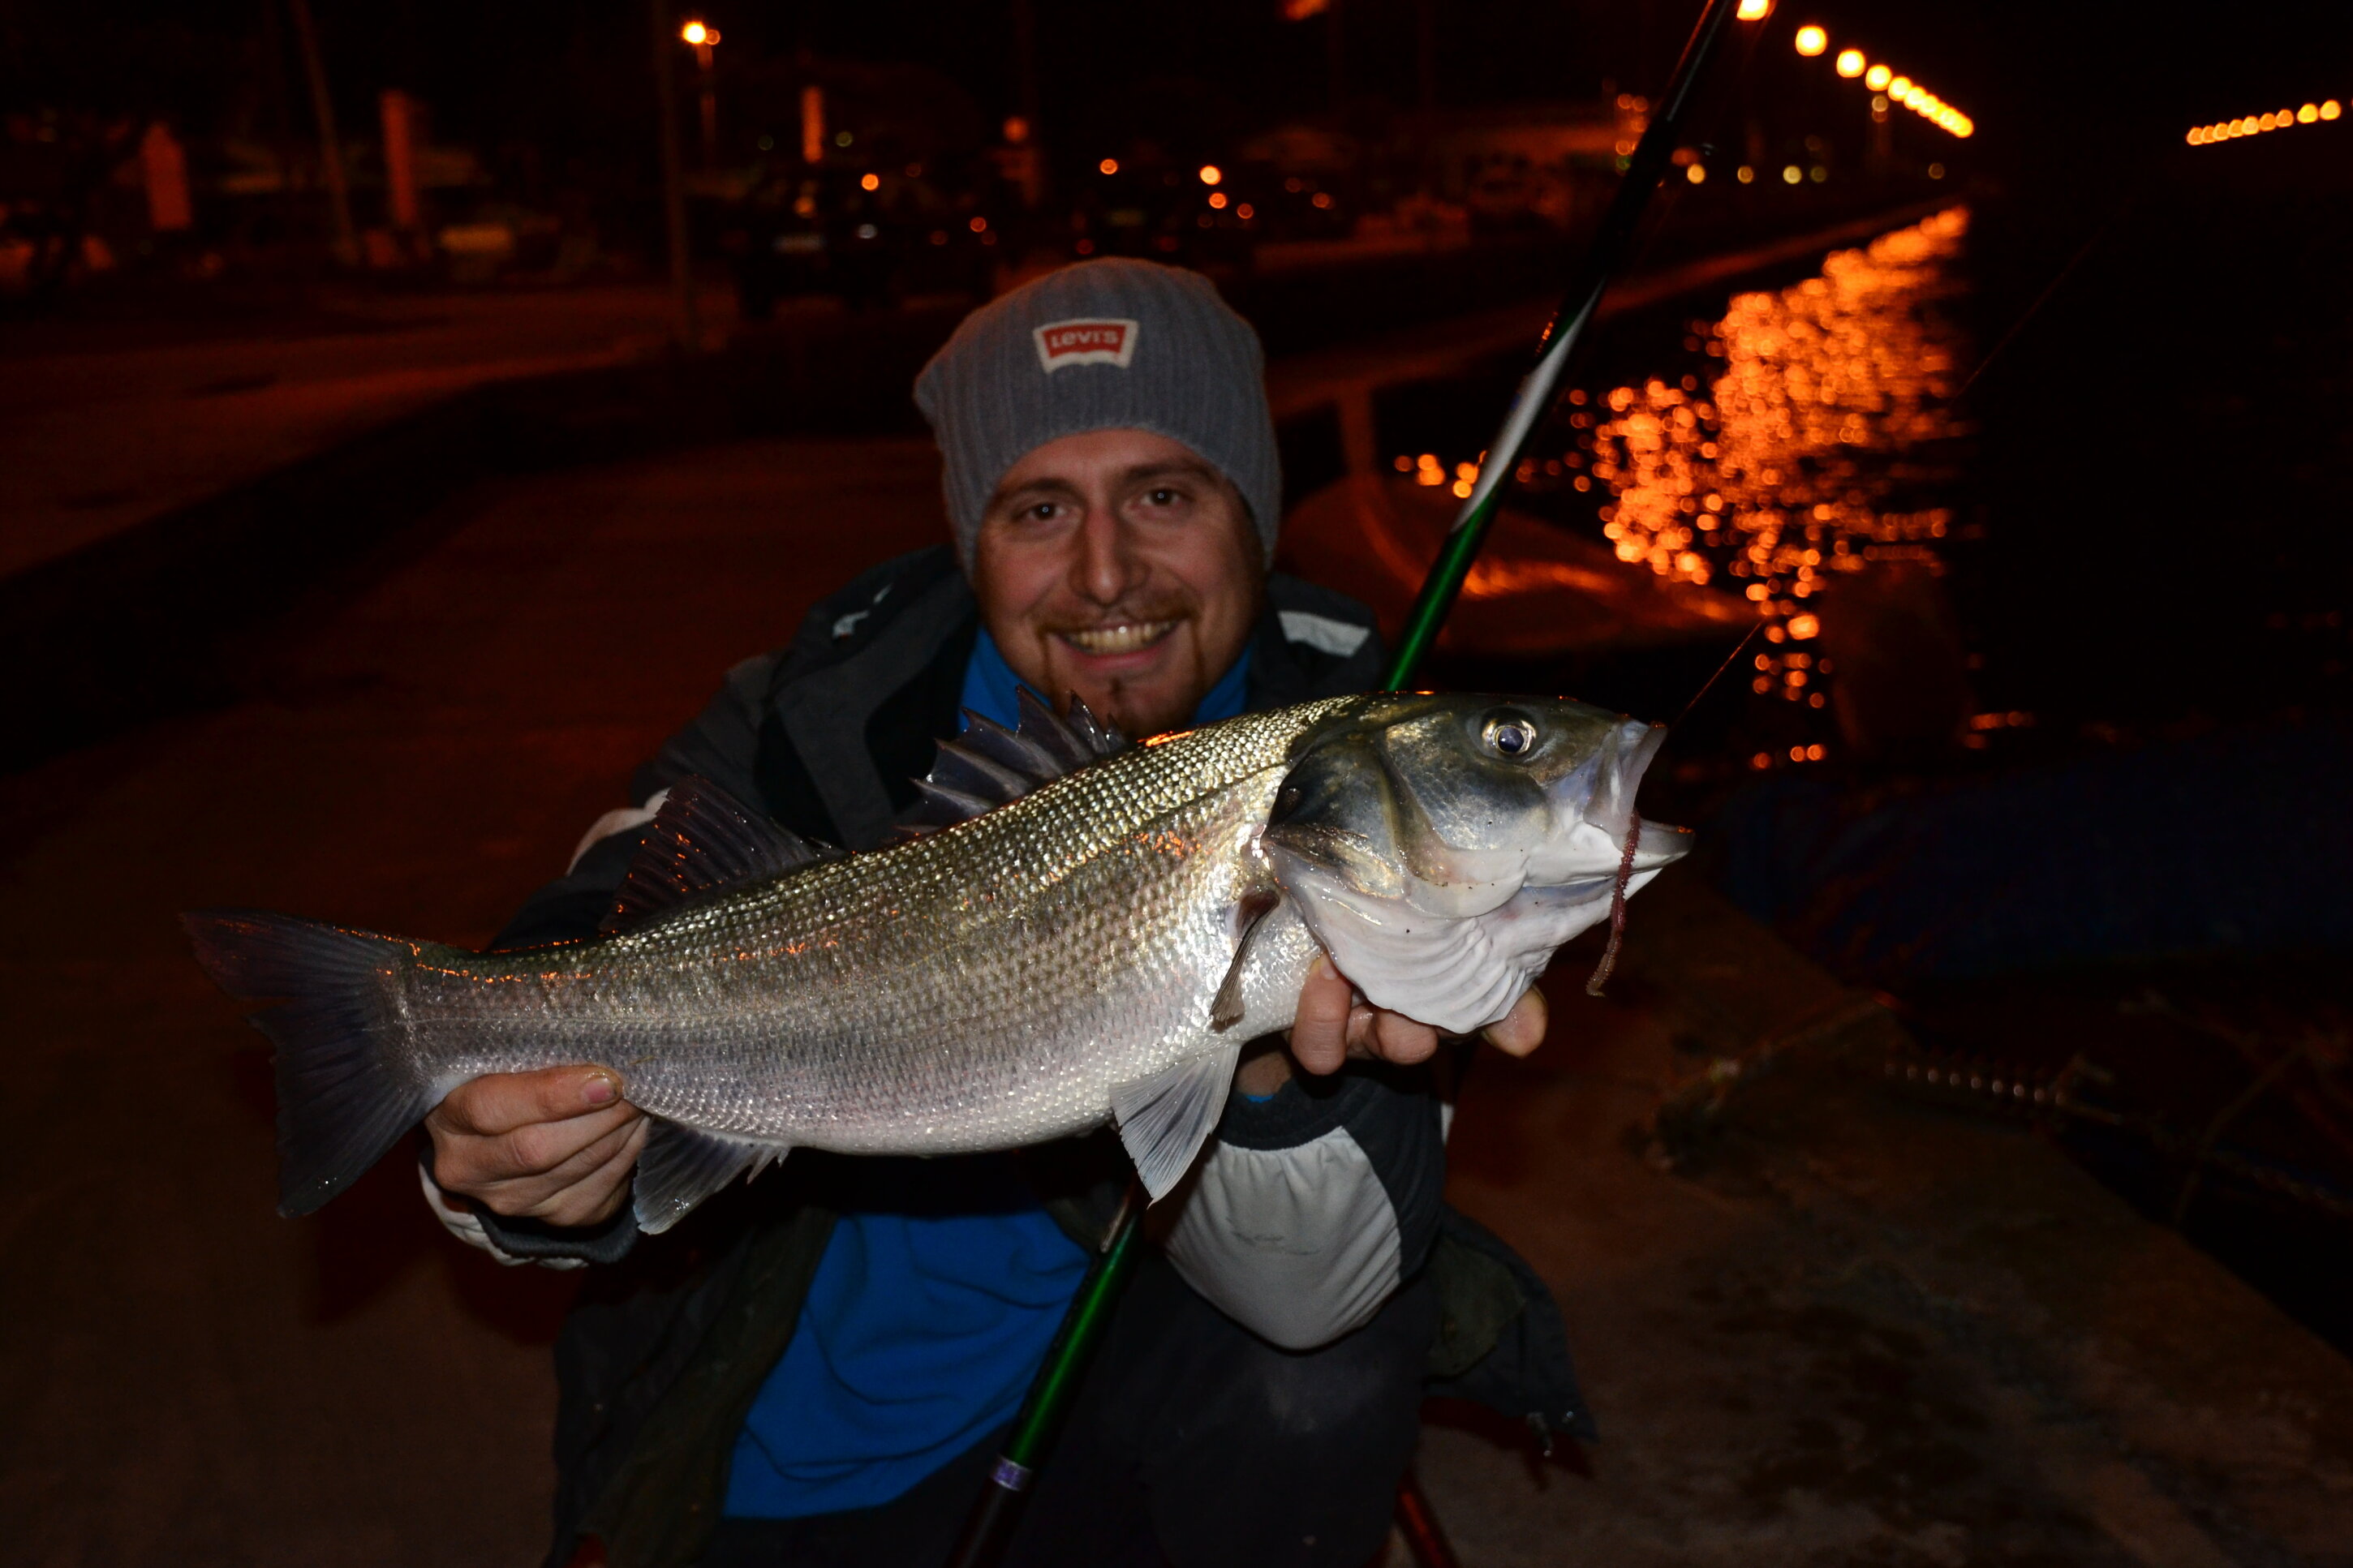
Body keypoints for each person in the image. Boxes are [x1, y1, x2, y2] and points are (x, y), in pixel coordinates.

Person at [418, 260, 1586, 1568]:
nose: (1105, 572)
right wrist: (505, 1154)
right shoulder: (817, 717)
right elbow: (578, 937)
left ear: (1252, 513)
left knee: (1324, 1373)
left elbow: (1314, 1298)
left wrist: (1266, 1086)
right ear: (969, 536)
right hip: (784, 1438)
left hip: (1113, 1403)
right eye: (1039, 506)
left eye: (1162, 492)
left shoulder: (1368, 781)